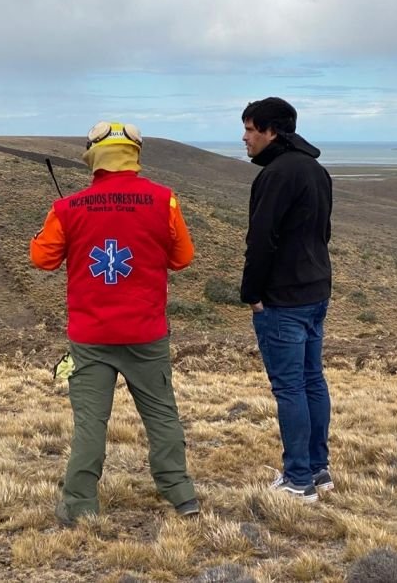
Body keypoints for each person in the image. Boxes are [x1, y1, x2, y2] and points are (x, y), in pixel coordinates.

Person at [30, 121, 199, 524]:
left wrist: (61, 231)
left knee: (90, 423)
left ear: (94, 156)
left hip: (91, 337)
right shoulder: (164, 201)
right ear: (135, 154)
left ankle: (79, 505)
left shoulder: (67, 208)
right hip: (147, 333)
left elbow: (42, 259)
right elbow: (182, 258)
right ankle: (181, 494)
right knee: (162, 415)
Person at [240, 97, 334, 502]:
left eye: (250, 129)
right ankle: (318, 469)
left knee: (290, 387)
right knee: (312, 380)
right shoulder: (316, 170)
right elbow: (322, 233)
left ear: (271, 132)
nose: (244, 138)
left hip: (283, 299)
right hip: (316, 290)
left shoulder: (275, 175)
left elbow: (261, 240)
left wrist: (253, 294)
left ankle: (299, 481)